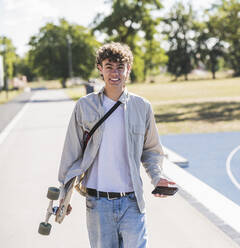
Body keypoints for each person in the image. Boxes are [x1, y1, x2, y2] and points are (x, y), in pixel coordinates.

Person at [58, 42, 175, 248]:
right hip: (98, 204)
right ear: (100, 69)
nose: (115, 72)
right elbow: (71, 153)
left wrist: (158, 177)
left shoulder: (142, 107)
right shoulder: (85, 106)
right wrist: (63, 194)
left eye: (120, 67)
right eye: (109, 66)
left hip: (132, 202)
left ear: (128, 70)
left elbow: (151, 151)